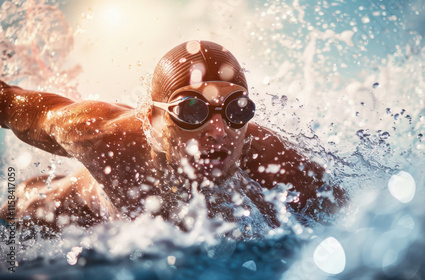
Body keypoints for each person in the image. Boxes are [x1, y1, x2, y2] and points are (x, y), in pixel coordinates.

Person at [0, 40, 346, 235]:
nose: (220, 131)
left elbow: (356, 219)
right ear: (153, 118)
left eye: (236, 109)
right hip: (71, 215)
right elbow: (10, 103)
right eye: (192, 110)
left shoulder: (267, 155)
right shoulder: (102, 134)